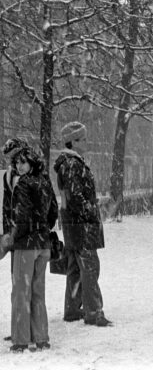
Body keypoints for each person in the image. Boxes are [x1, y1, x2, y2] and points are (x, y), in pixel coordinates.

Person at [53, 121, 111, 327]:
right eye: (83, 139)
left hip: (73, 225)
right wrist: (91, 211)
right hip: (81, 225)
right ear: (73, 142)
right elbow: (77, 197)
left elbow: (71, 197)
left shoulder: (69, 164)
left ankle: (72, 309)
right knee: (89, 267)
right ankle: (93, 312)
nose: (86, 142)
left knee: (76, 268)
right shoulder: (73, 165)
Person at [6, 147, 58, 352]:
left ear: (31, 164)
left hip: (26, 246)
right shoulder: (45, 182)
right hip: (43, 244)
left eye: (23, 163)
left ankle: (20, 340)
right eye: (16, 163)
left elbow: (20, 217)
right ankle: (41, 337)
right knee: (38, 292)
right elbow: (53, 211)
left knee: (21, 292)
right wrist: (43, 228)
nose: (19, 166)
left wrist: (14, 238)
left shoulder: (23, 185)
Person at [1, 138, 29, 342]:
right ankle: (18, 326)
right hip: (13, 235)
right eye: (10, 159)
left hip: (27, 238)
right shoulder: (9, 176)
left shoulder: (32, 177)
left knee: (25, 285)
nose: (13, 163)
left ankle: (25, 329)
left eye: (15, 158)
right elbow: (6, 205)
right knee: (16, 282)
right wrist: (6, 232)